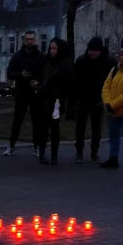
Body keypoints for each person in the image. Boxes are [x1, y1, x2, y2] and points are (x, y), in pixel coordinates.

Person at [73, 37, 116, 163]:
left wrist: (106, 99)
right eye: (90, 50)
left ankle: (94, 152)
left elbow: (112, 82)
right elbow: (75, 80)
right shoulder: (81, 61)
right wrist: (77, 97)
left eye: (94, 51)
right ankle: (79, 152)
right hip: (83, 99)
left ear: (100, 51)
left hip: (99, 100)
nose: (92, 53)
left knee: (96, 127)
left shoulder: (108, 62)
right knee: (80, 127)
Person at [4, 31, 46, 156]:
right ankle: (11, 145)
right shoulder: (17, 56)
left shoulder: (41, 56)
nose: (30, 41)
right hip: (21, 92)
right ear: (23, 40)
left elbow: (46, 74)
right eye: (27, 39)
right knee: (17, 120)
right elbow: (9, 73)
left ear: (35, 40)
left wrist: (38, 81)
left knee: (37, 121)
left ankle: (37, 147)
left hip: (36, 93)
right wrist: (20, 75)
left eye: (32, 39)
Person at [34, 37, 74, 165]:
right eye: (51, 48)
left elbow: (68, 84)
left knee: (55, 129)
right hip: (44, 99)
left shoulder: (65, 65)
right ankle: (42, 153)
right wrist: (38, 84)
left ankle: (54, 156)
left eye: (54, 48)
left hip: (56, 100)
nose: (52, 51)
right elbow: (41, 77)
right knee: (43, 128)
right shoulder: (45, 62)